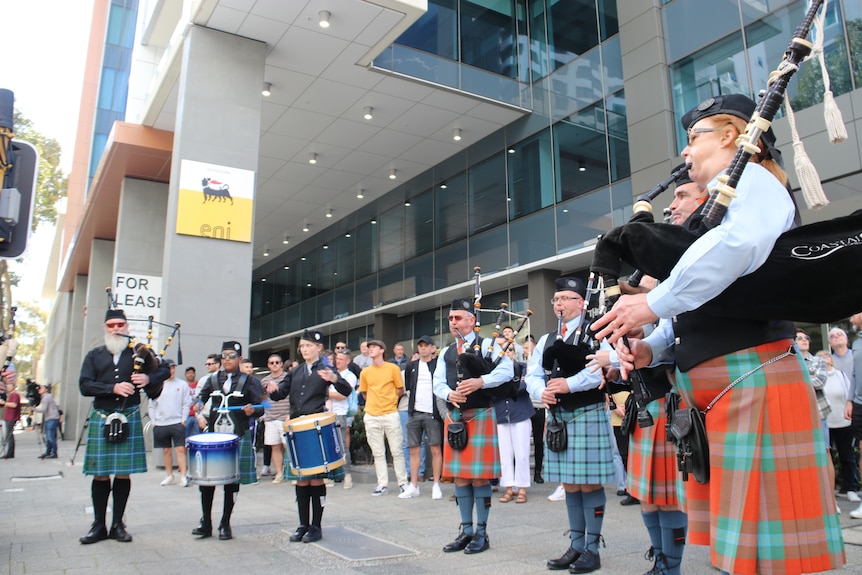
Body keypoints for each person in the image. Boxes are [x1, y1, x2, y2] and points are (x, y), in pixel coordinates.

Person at [595, 94, 844, 575]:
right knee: (737, 552)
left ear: (730, 135)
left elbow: (737, 247)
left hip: (754, 382)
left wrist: (650, 302)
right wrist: (652, 346)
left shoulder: (756, 179)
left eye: (693, 138)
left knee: (766, 556)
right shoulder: (724, 203)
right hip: (723, 396)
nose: (685, 153)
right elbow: (710, 299)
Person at [525, 277, 615, 574]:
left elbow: (599, 371)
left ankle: (592, 548)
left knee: (589, 483)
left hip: (587, 412)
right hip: (559, 418)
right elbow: (533, 375)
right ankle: (576, 545)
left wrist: (567, 385)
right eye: (556, 300)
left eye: (565, 298)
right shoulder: (547, 339)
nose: (559, 304)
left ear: (580, 303)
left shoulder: (595, 331)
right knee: (571, 483)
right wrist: (542, 391)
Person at [78, 308, 170, 544]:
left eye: (120, 324)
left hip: (128, 416)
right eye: (111, 325)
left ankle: (118, 524)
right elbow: (85, 385)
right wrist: (112, 388)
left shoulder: (139, 353)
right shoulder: (94, 355)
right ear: (105, 328)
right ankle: (99, 525)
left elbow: (163, 369)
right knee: (100, 473)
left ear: (127, 326)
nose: (116, 328)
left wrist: (149, 379)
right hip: (102, 415)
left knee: (122, 473)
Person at [433, 298, 514, 555]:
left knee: (479, 478)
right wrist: (448, 395)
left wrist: (481, 381)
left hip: (480, 414)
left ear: (472, 320)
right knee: (459, 476)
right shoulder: (446, 351)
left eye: (458, 317)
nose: (453, 322)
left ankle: (481, 532)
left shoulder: (488, 345)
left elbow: (507, 371)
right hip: (456, 416)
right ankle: (466, 531)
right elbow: (436, 383)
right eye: (450, 318)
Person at [267, 329, 352, 543]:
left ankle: (316, 526)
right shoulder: (295, 372)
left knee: (315, 480)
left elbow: (347, 389)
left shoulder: (326, 369)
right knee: (301, 481)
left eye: (308, 346)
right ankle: (302, 524)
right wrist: (272, 390)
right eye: (302, 347)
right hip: (297, 427)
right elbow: (280, 393)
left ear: (319, 348)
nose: (305, 350)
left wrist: (334, 378)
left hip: (315, 425)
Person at [193, 341, 263, 540]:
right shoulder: (213, 379)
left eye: (231, 356)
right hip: (214, 435)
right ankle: (205, 521)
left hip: (237, 435)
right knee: (207, 480)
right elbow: (201, 399)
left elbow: (260, 408)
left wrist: (252, 410)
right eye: (224, 356)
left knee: (231, 482)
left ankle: (225, 522)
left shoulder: (249, 381)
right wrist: (198, 410)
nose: (227, 360)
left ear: (240, 359)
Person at [359, 340, 408, 496]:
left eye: (374, 347)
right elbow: (364, 393)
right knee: (378, 453)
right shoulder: (365, 372)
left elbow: (400, 389)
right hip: (372, 414)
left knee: (397, 450)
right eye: (369, 347)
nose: (370, 349)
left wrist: (390, 400)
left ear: (382, 350)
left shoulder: (393, 368)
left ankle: (403, 483)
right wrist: (374, 403)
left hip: (390, 413)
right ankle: (382, 484)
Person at [401, 335, 444, 500]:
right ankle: (413, 485)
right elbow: (408, 387)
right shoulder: (411, 365)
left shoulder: (438, 365)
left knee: (435, 449)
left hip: (432, 413)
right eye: (420, 346)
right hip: (414, 412)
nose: (423, 348)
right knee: (413, 449)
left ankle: (436, 484)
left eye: (426, 345)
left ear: (433, 348)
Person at [494, 346, 533, 505]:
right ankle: (509, 487)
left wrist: (507, 386)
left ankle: (522, 488)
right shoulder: (494, 371)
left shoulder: (522, 367)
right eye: (504, 351)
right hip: (502, 414)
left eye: (509, 350)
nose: (507, 353)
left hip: (520, 413)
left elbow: (523, 387)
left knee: (522, 453)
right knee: (504, 454)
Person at [149, 359, 191, 487]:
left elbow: (186, 402)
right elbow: (151, 405)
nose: (171, 371)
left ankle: (183, 476)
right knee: (166, 450)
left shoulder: (182, 384)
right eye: (169, 368)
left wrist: (183, 419)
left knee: (180, 449)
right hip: (161, 423)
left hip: (177, 422)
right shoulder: (157, 384)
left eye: (173, 368)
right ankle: (169, 475)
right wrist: (154, 421)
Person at [261, 353, 290, 484]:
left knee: (288, 446)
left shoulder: (287, 378)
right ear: (268, 365)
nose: (274, 365)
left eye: (277, 362)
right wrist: (265, 412)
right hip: (270, 418)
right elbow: (262, 398)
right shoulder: (264, 381)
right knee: (275, 447)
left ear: (281, 364)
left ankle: (292, 472)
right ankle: (279, 473)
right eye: (271, 363)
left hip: (286, 417)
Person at [332, 349, 357, 489]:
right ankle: (332, 475)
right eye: (337, 358)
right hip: (329, 412)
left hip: (341, 412)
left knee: (342, 444)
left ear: (348, 361)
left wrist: (327, 393)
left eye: (341, 359)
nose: (338, 361)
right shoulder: (333, 374)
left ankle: (347, 475)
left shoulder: (350, 376)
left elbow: (343, 395)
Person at [35, 383, 60, 459]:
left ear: (46, 389)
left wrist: (34, 409)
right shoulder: (45, 397)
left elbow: (44, 409)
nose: (39, 389)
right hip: (49, 418)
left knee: (50, 437)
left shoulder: (47, 397)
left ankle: (54, 453)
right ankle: (48, 452)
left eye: (41, 388)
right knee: (48, 437)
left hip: (52, 418)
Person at [0, 379, 20, 459]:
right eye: (7, 385)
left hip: (11, 417)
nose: (7, 387)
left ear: (13, 386)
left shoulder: (14, 395)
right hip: (8, 416)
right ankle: (10, 452)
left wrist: (4, 403)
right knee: (9, 435)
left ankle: (10, 453)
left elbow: (14, 405)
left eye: (9, 385)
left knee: (9, 435)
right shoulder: (10, 395)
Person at [184, 367, 199, 438]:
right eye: (188, 373)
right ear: (185, 375)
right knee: (186, 437)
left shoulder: (199, 384)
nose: (190, 375)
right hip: (187, 415)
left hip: (197, 415)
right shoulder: (183, 386)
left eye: (192, 373)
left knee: (198, 436)